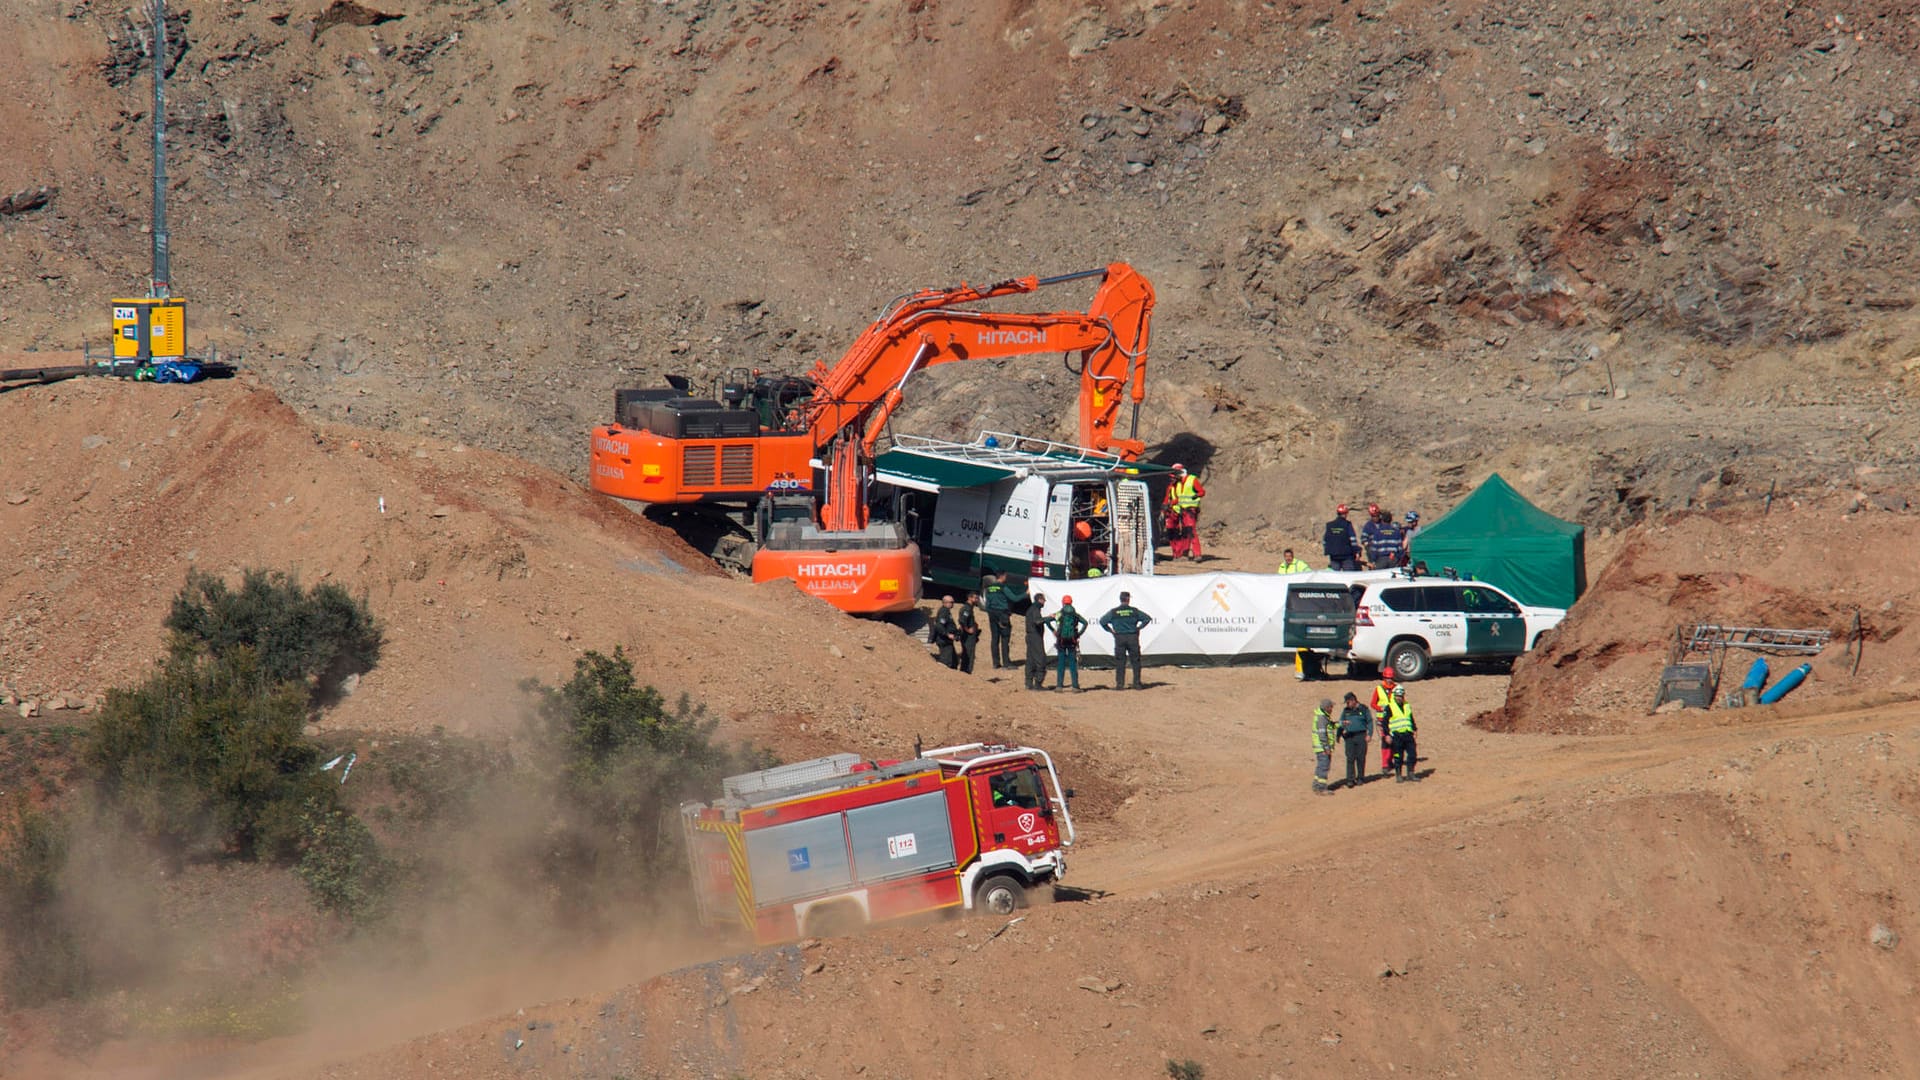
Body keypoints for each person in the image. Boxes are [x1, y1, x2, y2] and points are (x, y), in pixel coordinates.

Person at [1099, 591, 1153, 690]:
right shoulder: (1134, 611)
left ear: (1120, 599)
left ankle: (1120, 685)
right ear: (1128, 599)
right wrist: (1138, 628)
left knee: (1120, 662)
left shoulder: (1114, 612)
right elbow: (1147, 619)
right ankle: (1137, 684)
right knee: (1135, 661)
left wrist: (1111, 631)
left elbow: (1102, 621)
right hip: (1132, 637)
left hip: (1119, 637)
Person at [1164, 463, 1207, 560]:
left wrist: (1196, 495)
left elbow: (1201, 492)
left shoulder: (1191, 479)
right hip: (1182, 510)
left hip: (1190, 510)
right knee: (1184, 532)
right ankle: (1183, 554)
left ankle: (1197, 554)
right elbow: (1178, 498)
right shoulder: (1177, 484)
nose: (1173, 477)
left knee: (1191, 531)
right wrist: (1168, 505)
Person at [1048, 595, 1087, 691]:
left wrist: (1053, 631)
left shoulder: (1059, 614)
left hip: (1061, 641)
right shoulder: (1075, 614)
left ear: (1063, 603)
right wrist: (1078, 634)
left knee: (1061, 662)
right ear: (1071, 602)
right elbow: (1085, 623)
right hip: (1072, 641)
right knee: (1073, 663)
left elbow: (1048, 621)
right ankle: (1075, 686)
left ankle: (1059, 686)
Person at [982, 571, 1017, 669]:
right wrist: (1026, 594)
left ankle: (996, 663)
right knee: (1005, 639)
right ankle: (1006, 663)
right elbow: (1015, 598)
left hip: (992, 614)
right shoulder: (1003, 587)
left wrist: (990, 612)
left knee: (994, 638)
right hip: (1002, 614)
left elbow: (987, 603)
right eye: (1006, 576)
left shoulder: (989, 588)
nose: (1006, 577)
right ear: (1002, 576)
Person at [1338, 691, 1372, 789]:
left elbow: (1369, 722)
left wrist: (1369, 734)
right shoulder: (1346, 711)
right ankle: (1350, 779)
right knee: (1350, 758)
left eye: (1348, 702)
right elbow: (1341, 722)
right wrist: (1340, 733)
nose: (1347, 704)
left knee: (1361, 757)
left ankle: (1360, 778)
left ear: (1353, 700)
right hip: (1349, 737)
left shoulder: (1364, 709)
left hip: (1361, 735)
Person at [1387, 686, 1419, 782]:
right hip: (1397, 735)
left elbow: (1410, 718)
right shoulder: (1390, 707)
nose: (1399, 698)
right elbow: (1385, 722)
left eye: (1400, 696)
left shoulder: (1407, 705)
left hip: (1408, 734)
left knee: (1412, 754)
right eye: (1397, 696)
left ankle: (1411, 773)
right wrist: (1387, 735)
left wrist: (1414, 729)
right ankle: (1399, 775)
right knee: (1398, 756)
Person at [1023, 590, 1050, 690]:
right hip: (1035, 637)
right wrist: (1049, 618)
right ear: (1039, 600)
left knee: (1030, 660)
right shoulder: (1035, 609)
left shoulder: (1031, 608)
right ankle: (1038, 683)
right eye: (1044, 600)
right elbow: (1038, 621)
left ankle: (1028, 682)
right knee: (1041, 659)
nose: (1044, 603)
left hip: (1030, 636)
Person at [1371, 671, 1398, 771]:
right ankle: (1385, 764)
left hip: (1394, 719)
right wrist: (1380, 708)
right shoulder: (1378, 689)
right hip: (1382, 720)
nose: (1389, 680)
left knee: (1395, 740)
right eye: (1387, 678)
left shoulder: (1396, 688)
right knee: (1385, 741)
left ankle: (1391, 760)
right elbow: (1373, 704)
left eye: (1390, 678)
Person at [1322, 503, 1362, 571]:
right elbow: (1353, 541)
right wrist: (1356, 552)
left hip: (1334, 555)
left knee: (1334, 577)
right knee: (1348, 576)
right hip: (1346, 555)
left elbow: (1324, 540)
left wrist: (1329, 550)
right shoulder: (1347, 525)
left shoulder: (1330, 525)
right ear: (1346, 513)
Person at [1311, 698, 1338, 795]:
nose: (1332, 709)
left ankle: (1316, 785)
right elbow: (1322, 735)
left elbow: (1330, 726)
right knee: (1324, 767)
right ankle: (1321, 788)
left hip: (1320, 747)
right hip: (1322, 748)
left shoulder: (1323, 717)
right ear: (1326, 708)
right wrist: (1326, 748)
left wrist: (1341, 724)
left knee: (1320, 766)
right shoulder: (1322, 718)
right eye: (1331, 707)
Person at [956, 593, 982, 674]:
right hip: (968, 636)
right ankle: (966, 672)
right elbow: (962, 621)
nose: (977, 600)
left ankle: (966, 671)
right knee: (968, 654)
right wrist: (967, 629)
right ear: (970, 598)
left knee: (969, 654)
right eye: (976, 598)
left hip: (970, 636)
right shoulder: (966, 609)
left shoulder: (970, 608)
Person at [930, 595, 959, 669]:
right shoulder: (944, 611)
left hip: (947, 640)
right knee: (945, 662)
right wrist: (947, 634)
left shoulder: (947, 611)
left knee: (954, 661)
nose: (953, 604)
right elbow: (939, 626)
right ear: (945, 603)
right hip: (944, 640)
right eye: (951, 602)